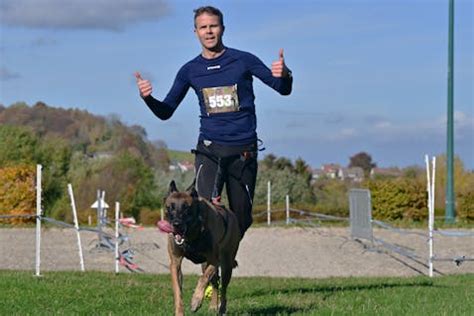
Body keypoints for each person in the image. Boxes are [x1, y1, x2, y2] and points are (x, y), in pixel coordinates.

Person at [136, 6, 292, 237]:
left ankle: (223, 256)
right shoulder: (190, 70)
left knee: (242, 217)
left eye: (213, 26)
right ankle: (209, 265)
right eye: (203, 27)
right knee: (202, 212)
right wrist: (148, 98)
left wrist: (285, 74)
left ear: (222, 28)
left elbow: (282, 89)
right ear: (196, 32)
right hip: (209, 149)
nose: (209, 32)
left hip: (243, 151)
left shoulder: (243, 60)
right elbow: (165, 111)